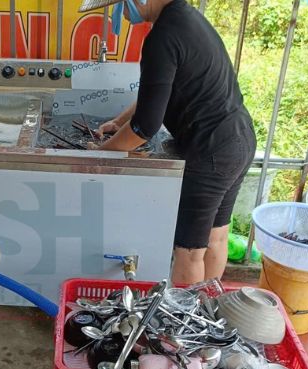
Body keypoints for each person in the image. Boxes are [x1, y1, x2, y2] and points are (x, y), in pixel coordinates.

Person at [81, 0, 257, 285]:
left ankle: (184, 313)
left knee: (190, 251)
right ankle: (207, 305)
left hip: (210, 150)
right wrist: (118, 122)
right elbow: (156, 95)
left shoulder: (161, 37)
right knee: (216, 236)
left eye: (121, 2)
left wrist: (101, 153)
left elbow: (144, 128)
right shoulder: (187, 19)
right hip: (239, 140)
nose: (121, 12)